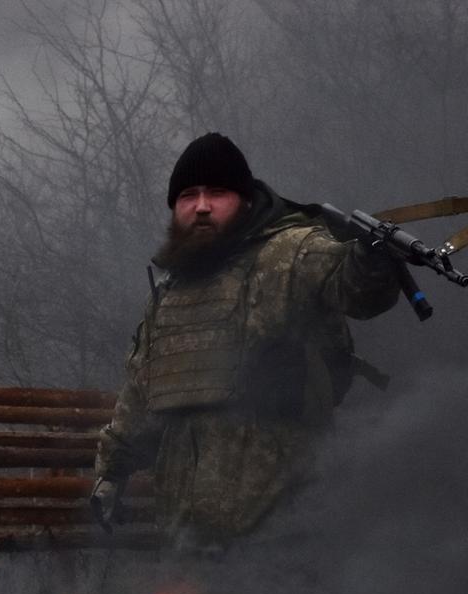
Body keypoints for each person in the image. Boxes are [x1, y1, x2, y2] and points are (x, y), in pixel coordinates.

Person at [91, 133, 400, 550]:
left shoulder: (291, 252)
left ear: (245, 200)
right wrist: (112, 473)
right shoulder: (170, 292)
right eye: (188, 195)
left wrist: (372, 257)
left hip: (285, 528)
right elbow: (142, 391)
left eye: (217, 192)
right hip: (186, 532)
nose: (201, 206)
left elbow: (358, 289)